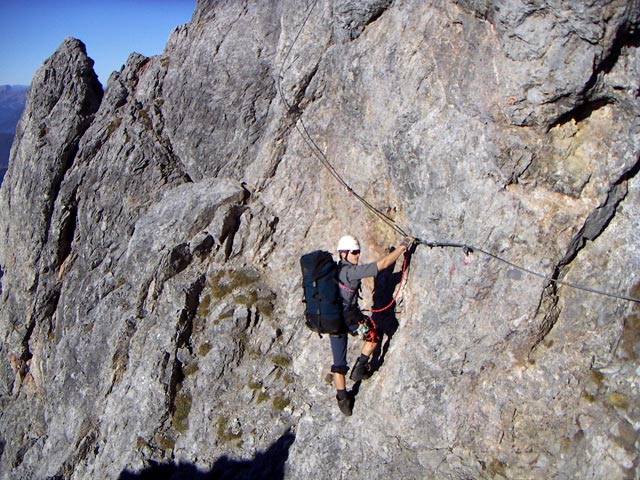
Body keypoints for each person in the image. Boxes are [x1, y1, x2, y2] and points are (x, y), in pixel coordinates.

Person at [331, 234, 410, 416]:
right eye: (355, 252)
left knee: (338, 363)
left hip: (333, 320)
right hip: (350, 318)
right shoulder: (351, 271)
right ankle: (359, 368)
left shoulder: (335, 270)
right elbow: (381, 266)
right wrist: (402, 247)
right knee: (373, 337)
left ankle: (343, 401)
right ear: (344, 254)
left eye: (358, 252)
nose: (358, 256)